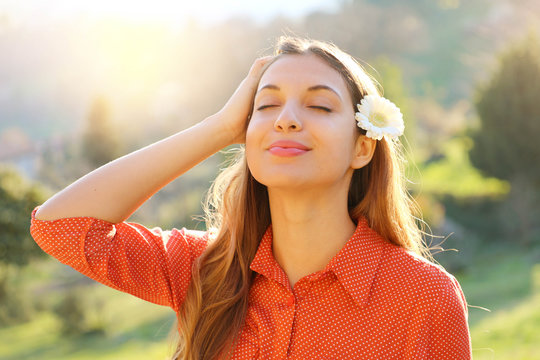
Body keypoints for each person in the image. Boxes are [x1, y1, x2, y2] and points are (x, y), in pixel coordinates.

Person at [30, 36, 472, 359]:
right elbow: (60, 227)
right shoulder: (205, 268)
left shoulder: (423, 299)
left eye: (319, 106)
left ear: (362, 147)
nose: (287, 120)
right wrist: (220, 128)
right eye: (265, 106)